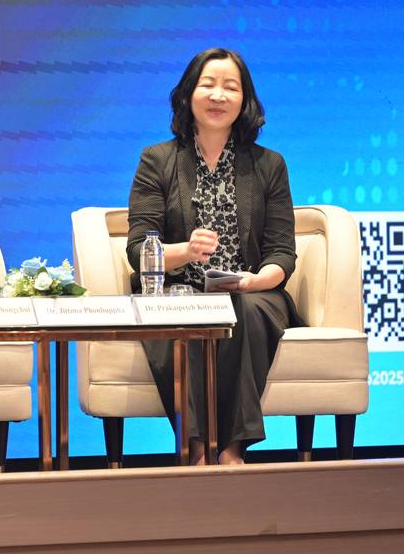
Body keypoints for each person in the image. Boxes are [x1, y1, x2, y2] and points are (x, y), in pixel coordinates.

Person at [127, 47, 303, 465]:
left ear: (245, 99)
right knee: (187, 311)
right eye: (208, 84)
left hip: (251, 291)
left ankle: (232, 447)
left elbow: (282, 251)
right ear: (189, 93)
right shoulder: (157, 160)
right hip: (177, 288)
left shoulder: (269, 165)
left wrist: (255, 281)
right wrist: (185, 251)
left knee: (247, 308)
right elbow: (139, 250)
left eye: (230, 87)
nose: (218, 95)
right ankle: (195, 448)